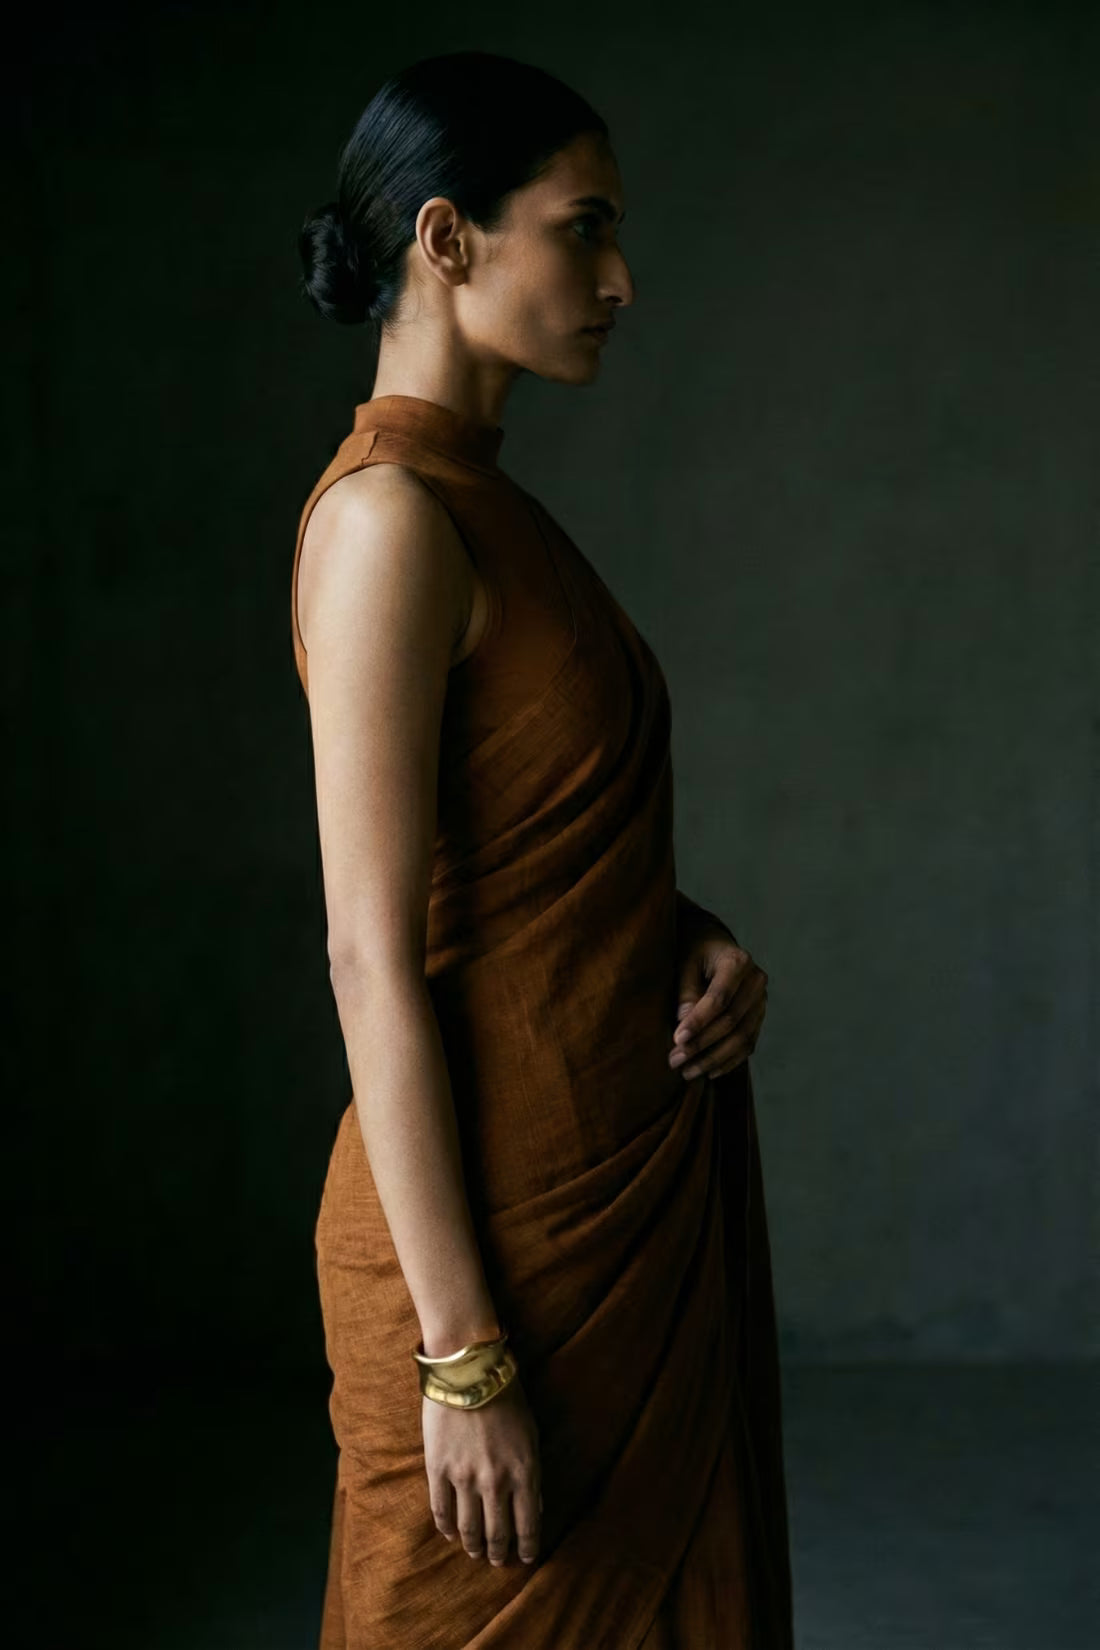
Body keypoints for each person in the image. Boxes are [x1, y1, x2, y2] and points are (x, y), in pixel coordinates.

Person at [290, 50, 794, 1649]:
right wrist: (463, 1354)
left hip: (621, 1227)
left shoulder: (487, 509)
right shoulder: (387, 525)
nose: (619, 279)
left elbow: (518, 848)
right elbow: (371, 947)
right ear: (445, 240)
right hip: (491, 1263)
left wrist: (682, 930)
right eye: (584, 229)